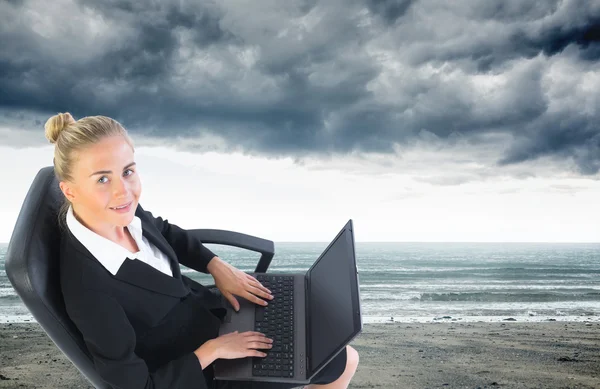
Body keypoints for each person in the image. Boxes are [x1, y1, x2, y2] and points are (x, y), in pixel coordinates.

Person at [46, 112, 359, 389]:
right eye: (103, 178)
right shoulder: (89, 289)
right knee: (341, 359)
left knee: (320, 337)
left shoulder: (120, 211)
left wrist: (215, 265)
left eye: (127, 171)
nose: (123, 190)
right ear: (70, 190)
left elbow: (165, 231)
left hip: (210, 314)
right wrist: (215, 350)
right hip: (200, 370)